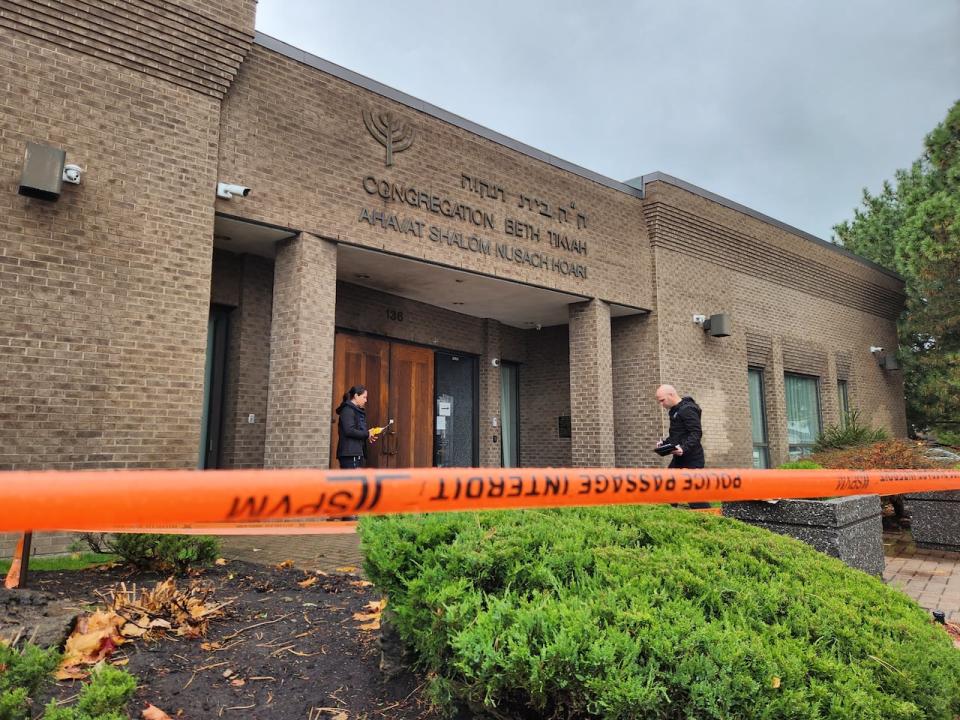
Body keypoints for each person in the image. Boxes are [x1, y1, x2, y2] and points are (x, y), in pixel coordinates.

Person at [655, 384, 708, 508]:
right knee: (669, 485)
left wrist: (684, 448)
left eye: (662, 400)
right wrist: (664, 444)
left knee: (693, 494)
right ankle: (668, 514)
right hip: (679, 458)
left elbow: (696, 433)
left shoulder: (687, 409)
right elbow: (677, 436)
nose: (661, 405)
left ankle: (710, 520)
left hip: (692, 459)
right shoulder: (675, 411)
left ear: (671, 395)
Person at [335, 385, 377, 469]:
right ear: (356, 396)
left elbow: (356, 430)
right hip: (350, 454)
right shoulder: (347, 410)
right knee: (352, 481)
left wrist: (367, 434)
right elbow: (349, 431)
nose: (366, 400)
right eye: (364, 397)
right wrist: (367, 433)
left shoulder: (354, 410)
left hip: (355, 453)